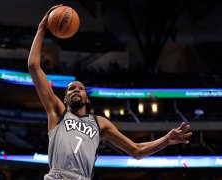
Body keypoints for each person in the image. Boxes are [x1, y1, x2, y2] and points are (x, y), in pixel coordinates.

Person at [28, 5, 192, 180]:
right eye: (71, 89)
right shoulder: (57, 111)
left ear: (87, 98)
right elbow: (33, 66)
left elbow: (136, 151)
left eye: (80, 88)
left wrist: (166, 139)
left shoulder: (101, 124)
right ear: (65, 99)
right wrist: (42, 28)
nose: (76, 89)